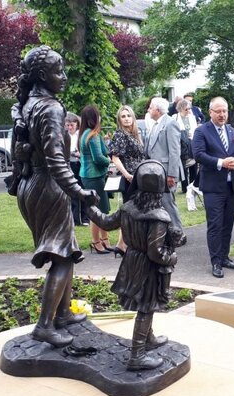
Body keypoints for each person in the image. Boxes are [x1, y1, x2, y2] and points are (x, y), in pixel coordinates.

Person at [8, 46, 98, 347]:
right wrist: (79, 192)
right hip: (48, 187)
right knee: (60, 258)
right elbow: (56, 159)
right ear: (43, 75)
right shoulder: (51, 108)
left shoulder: (28, 103)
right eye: (59, 71)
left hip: (31, 185)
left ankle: (63, 315)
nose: (64, 77)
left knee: (66, 252)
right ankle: (45, 325)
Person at [88, 160, 176, 370]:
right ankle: (137, 356)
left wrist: (89, 207)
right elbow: (155, 251)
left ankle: (148, 338)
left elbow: (107, 222)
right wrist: (171, 258)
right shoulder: (159, 217)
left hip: (131, 262)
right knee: (146, 307)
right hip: (148, 267)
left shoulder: (127, 208)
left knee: (146, 305)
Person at [192, 97, 234, 278]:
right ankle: (215, 261)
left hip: (232, 187)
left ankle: (224, 256)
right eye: (218, 111)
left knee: (227, 225)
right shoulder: (201, 131)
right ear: (210, 112)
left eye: (225, 111)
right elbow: (198, 154)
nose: (222, 115)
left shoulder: (233, 131)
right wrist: (222, 162)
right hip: (213, 188)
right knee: (215, 225)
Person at [109, 105, 146, 254]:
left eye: (128, 116)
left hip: (139, 176)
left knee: (134, 211)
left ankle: (121, 244)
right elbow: (115, 157)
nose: (126, 118)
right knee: (131, 211)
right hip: (130, 177)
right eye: (123, 116)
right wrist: (126, 174)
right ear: (119, 119)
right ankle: (126, 244)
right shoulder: (120, 134)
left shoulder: (135, 134)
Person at [145, 97, 184, 235]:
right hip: (156, 172)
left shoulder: (170, 123)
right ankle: (168, 232)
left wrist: (172, 174)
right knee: (161, 203)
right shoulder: (156, 124)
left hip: (167, 172)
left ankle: (178, 233)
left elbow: (174, 151)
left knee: (168, 203)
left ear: (157, 109)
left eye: (150, 107)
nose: (148, 110)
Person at [78, 105, 113, 255]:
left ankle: (105, 240)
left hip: (87, 176)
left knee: (101, 210)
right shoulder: (93, 135)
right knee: (98, 211)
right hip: (94, 177)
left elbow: (103, 151)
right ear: (94, 118)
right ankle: (96, 241)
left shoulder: (85, 134)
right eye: (98, 115)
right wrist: (109, 162)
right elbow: (99, 158)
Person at [173, 99, 200, 208]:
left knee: (193, 165)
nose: (188, 110)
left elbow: (195, 129)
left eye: (189, 108)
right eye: (186, 109)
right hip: (181, 144)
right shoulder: (174, 117)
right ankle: (184, 187)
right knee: (183, 166)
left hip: (191, 142)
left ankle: (193, 185)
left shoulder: (192, 117)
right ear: (180, 109)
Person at [65, 112, 89, 227]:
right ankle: (74, 219)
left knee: (83, 190)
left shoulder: (81, 135)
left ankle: (85, 218)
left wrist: (80, 153)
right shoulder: (64, 135)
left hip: (80, 164)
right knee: (72, 192)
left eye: (72, 125)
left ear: (77, 125)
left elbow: (85, 150)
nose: (70, 128)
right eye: (68, 125)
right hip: (69, 165)